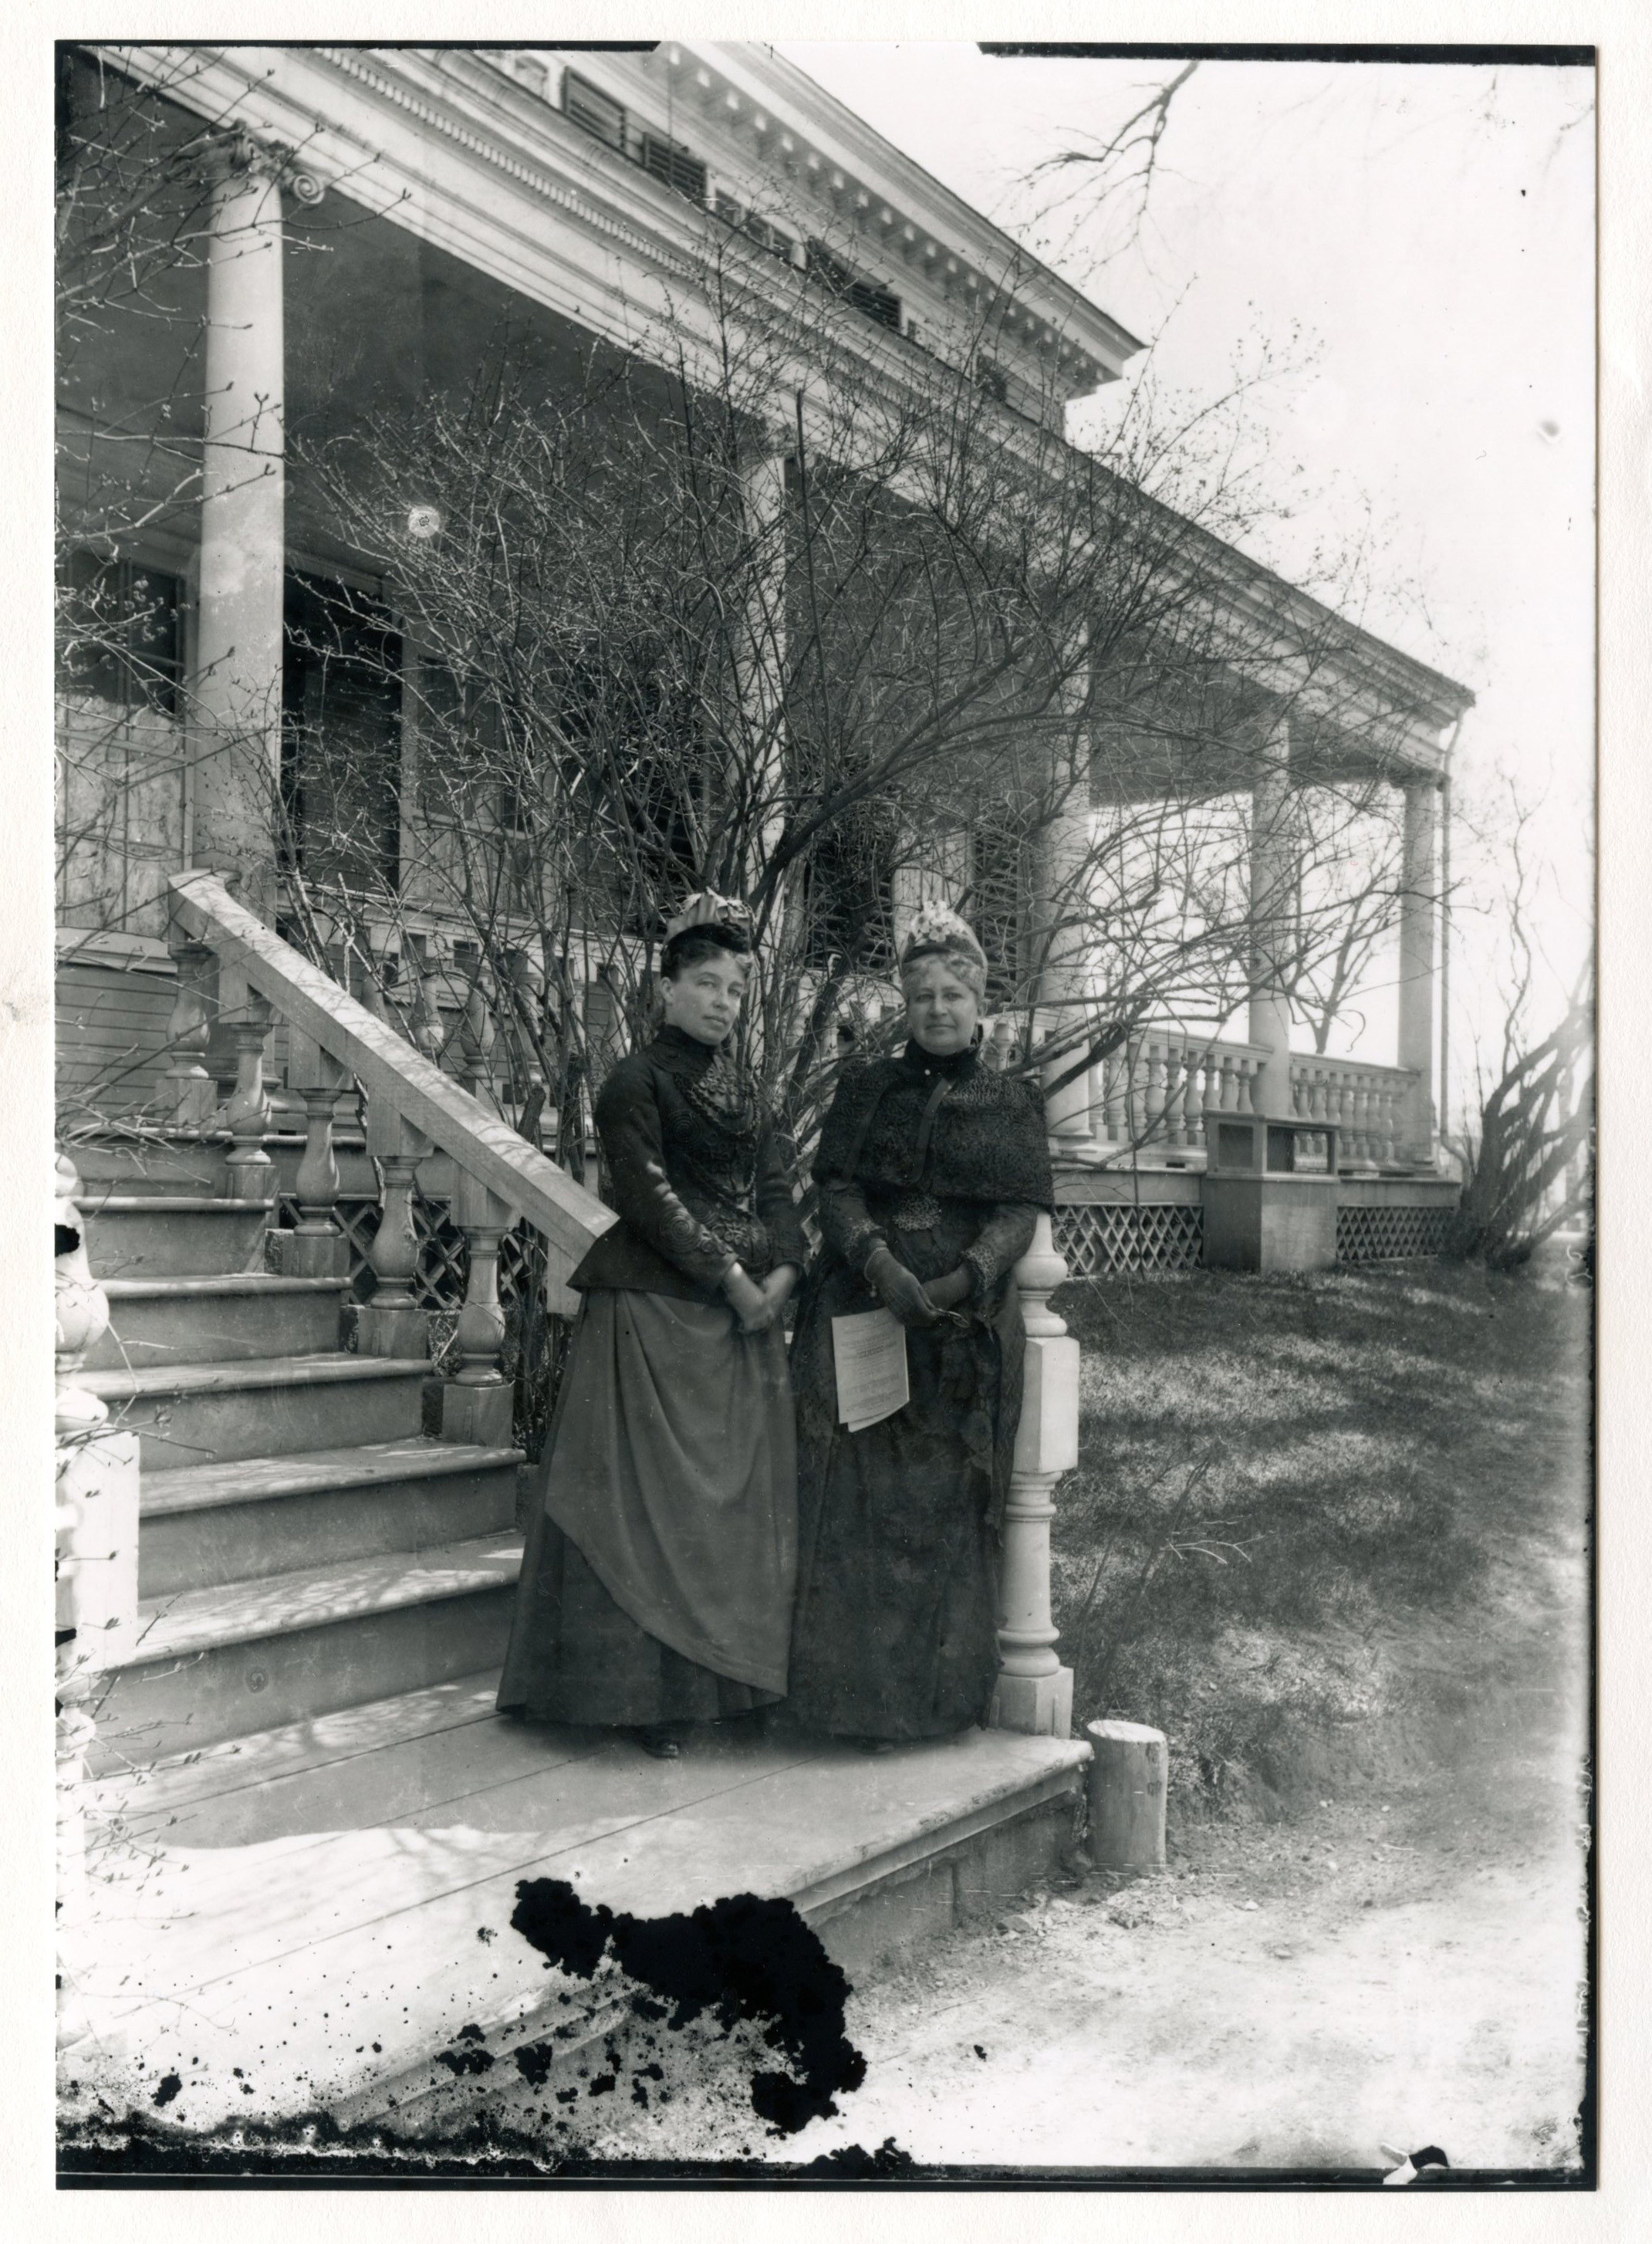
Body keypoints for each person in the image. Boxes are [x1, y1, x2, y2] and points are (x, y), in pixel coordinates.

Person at [497, 894, 805, 1759]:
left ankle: (724, 1687)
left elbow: (777, 1185)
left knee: (719, 1517)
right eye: (704, 983)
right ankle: (639, 1699)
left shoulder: (749, 1091)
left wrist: (785, 1270)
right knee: (644, 1510)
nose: (721, 1002)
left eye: (734, 990)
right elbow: (647, 1195)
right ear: (665, 988)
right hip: (652, 1314)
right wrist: (733, 1280)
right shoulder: (633, 1081)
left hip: (739, 1323)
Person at [786, 903, 1054, 1747]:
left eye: (953, 995)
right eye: (922, 996)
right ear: (904, 1004)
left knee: (941, 1501)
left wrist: (958, 1279)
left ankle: (929, 1707)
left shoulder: (1008, 1100)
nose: (938, 1009)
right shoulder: (867, 1087)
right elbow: (837, 1189)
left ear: (979, 1005)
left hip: (958, 1324)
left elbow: (1016, 1211)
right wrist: (879, 1266)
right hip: (864, 1304)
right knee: (855, 1500)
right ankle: (846, 1704)